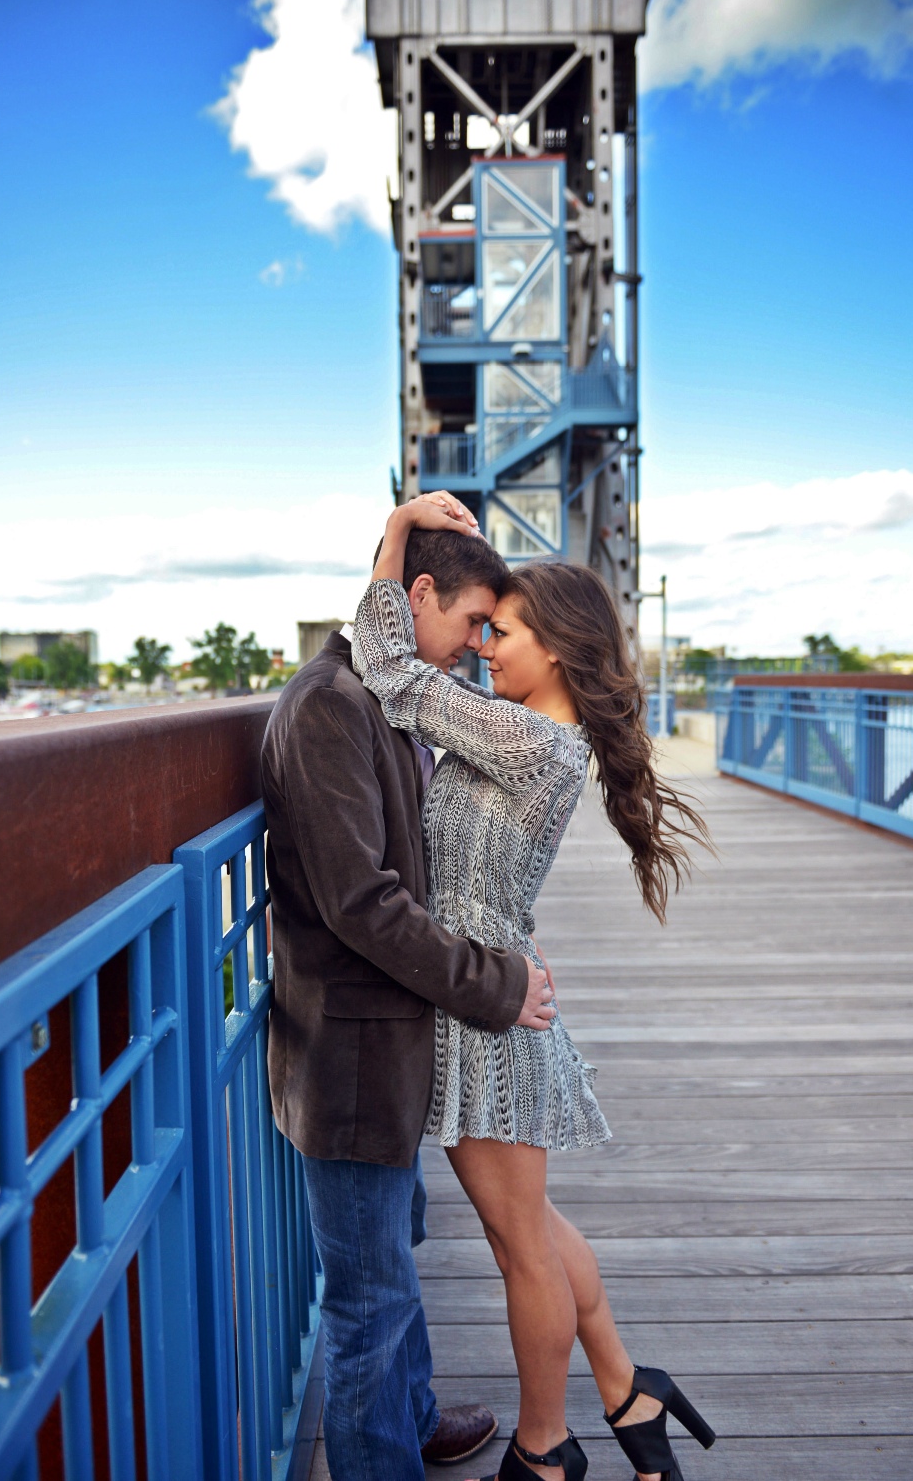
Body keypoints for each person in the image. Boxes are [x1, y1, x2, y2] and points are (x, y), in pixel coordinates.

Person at [351, 493, 716, 1481]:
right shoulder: (528, 733)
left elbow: (386, 670)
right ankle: (627, 1389)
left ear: (552, 647)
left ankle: (545, 1453)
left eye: (498, 631)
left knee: (522, 1247)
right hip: (486, 997)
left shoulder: (534, 739)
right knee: (537, 1230)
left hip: (487, 1020)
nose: (479, 646)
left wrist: (394, 535)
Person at [261, 525, 557, 1481]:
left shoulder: (379, 698)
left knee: (394, 1260)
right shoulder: (328, 710)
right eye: (474, 619)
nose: (480, 642)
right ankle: (381, 1457)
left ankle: (412, 1415)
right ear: (419, 594)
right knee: (368, 1303)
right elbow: (363, 904)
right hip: (349, 1059)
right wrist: (497, 986)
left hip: (388, 1047)